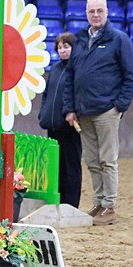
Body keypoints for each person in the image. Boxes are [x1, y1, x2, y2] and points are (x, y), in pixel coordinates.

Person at [61, 0, 133, 226]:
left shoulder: (118, 39)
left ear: (107, 12)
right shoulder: (80, 39)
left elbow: (132, 76)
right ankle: (98, 202)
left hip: (107, 111)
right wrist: (70, 108)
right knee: (93, 161)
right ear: (86, 13)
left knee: (108, 160)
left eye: (99, 11)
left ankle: (110, 205)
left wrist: (119, 106)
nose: (95, 15)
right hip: (83, 113)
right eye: (91, 11)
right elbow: (71, 77)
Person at [38, 32, 82, 208]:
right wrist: (43, 113)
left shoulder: (78, 68)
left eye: (66, 47)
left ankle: (71, 204)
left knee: (71, 166)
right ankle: (58, 199)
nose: (62, 50)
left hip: (69, 127)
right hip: (52, 125)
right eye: (60, 47)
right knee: (56, 166)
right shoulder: (55, 69)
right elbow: (46, 93)